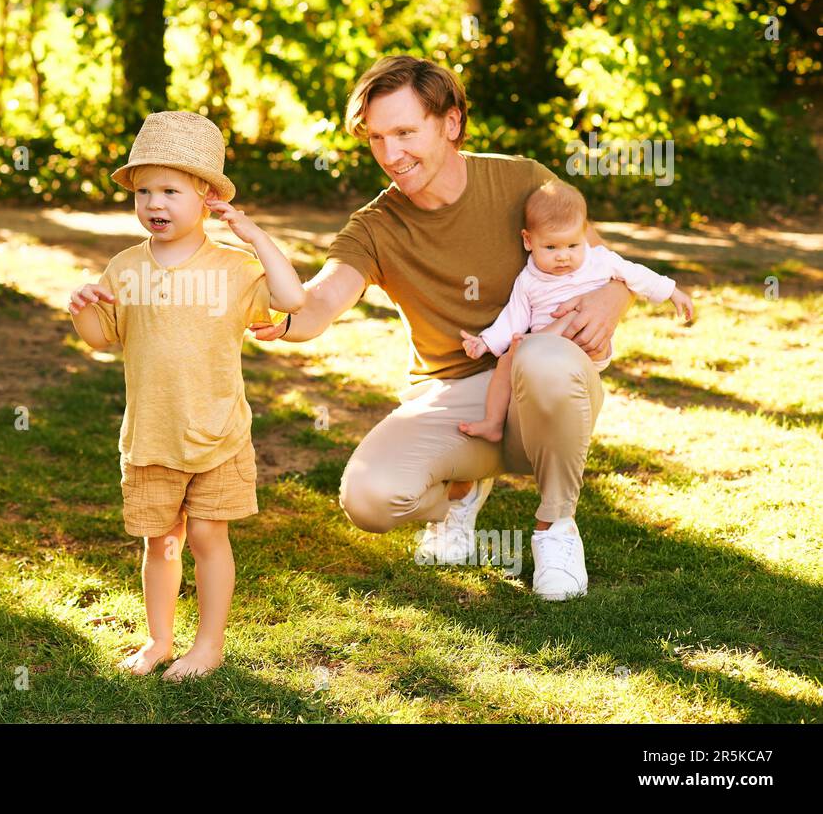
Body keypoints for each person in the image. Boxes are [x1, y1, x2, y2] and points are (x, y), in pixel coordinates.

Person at [251, 55, 636, 601]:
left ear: (451, 123)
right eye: (377, 138)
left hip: (544, 391)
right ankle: (458, 493)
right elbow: (321, 300)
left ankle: (555, 527)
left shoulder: (523, 181)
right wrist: (280, 317)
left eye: (406, 132)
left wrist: (614, 298)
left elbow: (601, 261)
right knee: (369, 498)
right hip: (453, 400)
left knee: (540, 357)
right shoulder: (375, 226)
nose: (390, 155)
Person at [68, 111, 305, 679]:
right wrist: (82, 312)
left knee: (205, 534)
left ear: (206, 197)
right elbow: (105, 341)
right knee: (161, 541)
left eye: (171, 190)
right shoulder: (126, 266)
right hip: (151, 434)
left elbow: (292, 296)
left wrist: (252, 234)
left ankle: (210, 645)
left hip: (218, 432)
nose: (155, 203)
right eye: (144, 190)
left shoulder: (234, 267)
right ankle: (158, 640)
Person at [458, 179, 695, 443]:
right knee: (505, 362)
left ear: (584, 236)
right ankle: (493, 422)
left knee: (577, 310)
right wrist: (486, 342)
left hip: (590, 344)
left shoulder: (600, 261)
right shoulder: (528, 279)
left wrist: (671, 291)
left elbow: (636, 274)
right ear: (528, 240)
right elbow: (515, 316)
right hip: (542, 354)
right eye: (551, 247)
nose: (563, 256)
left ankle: (539, 343)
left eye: (573, 246)